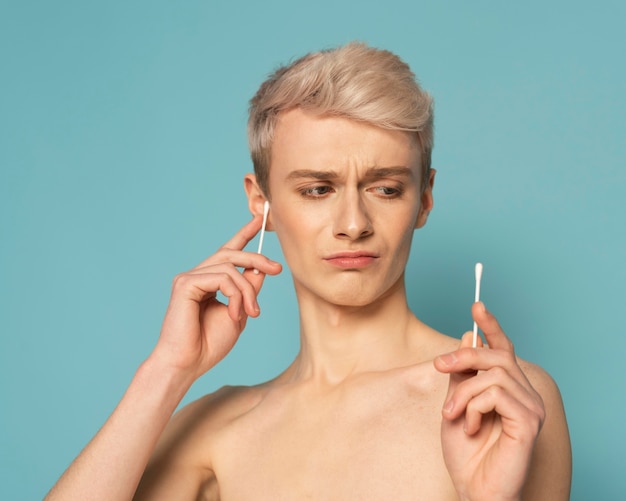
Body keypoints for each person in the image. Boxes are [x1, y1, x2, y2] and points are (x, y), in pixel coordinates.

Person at [46, 42, 571, 500]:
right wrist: (166, 371)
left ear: (425, 198)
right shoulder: (219, 432)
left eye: (385, 188)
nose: (353, 223)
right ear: (262, 203)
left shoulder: (497, 398)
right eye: (317, 190)